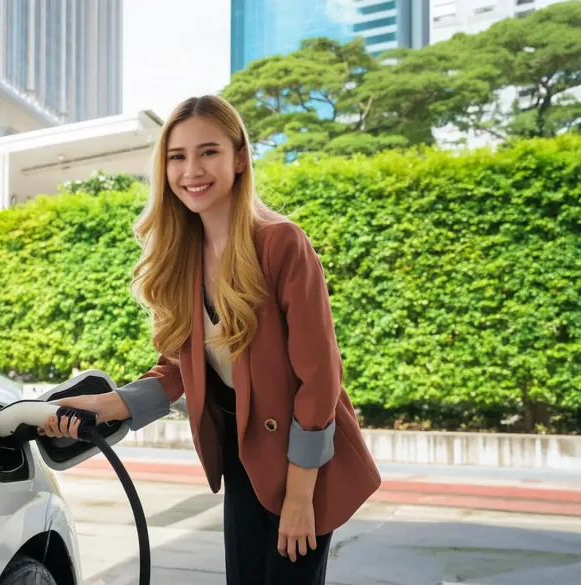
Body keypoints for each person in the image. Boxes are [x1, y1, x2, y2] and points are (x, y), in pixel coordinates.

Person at [38, 95, 381, 584]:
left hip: (303, 464)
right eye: (177, 156)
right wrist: (106, 405)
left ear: (240, 158)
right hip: (244, 461)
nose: (191, 170)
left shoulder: (281, 243)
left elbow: (320, 380)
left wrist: (301, 496)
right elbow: (177, 368)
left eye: (208, 152)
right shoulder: (183, 257)